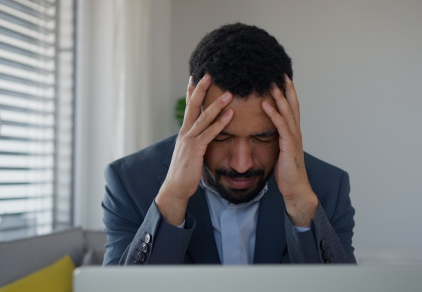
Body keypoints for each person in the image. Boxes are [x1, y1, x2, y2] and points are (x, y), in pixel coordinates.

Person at [102, 23, 355, 265]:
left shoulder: (328, 189)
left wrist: (300, 203)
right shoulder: (130, 183)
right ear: (194, 117)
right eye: (221, 137)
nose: (242, 164)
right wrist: (174, 199)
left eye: (263, 137)